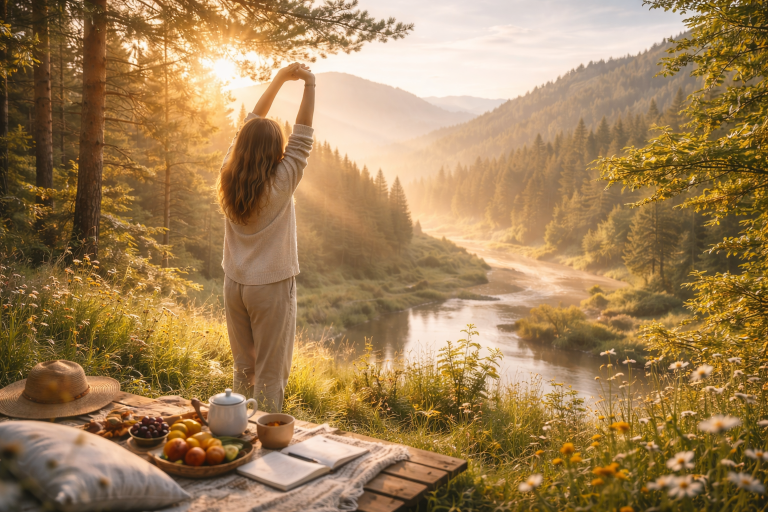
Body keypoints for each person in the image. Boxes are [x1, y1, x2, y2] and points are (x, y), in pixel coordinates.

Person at [217, 63, 315, 412]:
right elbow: (303, 135)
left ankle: (237, 433)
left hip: (234, 285)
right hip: (270, 288)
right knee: (270, 375)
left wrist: (276, 81)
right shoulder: (282, 181)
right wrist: (309, 85)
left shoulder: (229, 174)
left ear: (241, 146)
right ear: (277, 151)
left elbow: (249, 124)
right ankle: (266, 448)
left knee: (244, 368)